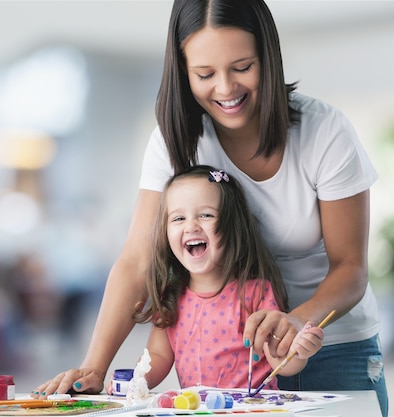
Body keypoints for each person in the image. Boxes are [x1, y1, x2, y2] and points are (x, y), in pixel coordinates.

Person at [32, 0, 388, 415]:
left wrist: (296, 321)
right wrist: (94, 367)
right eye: (204, 74)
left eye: (242, 68)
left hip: (329, 344)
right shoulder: (175, 142)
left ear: (268, 58)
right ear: (183, 72)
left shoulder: (323, 131)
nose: (225, 88)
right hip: (233, 362)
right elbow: (136, 261)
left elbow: (351, 268)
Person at [124, 166, 324, 391]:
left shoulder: (256, 293)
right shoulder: (171, 297)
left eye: (206, 215)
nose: (191, 226)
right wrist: (133, 382)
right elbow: (158, 356)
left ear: (232, 225)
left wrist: (299, 349)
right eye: (178, 218)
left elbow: (281, 362)